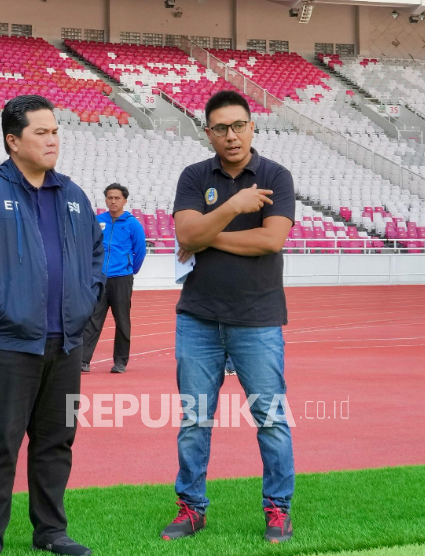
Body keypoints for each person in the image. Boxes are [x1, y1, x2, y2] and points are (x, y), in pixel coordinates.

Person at [0, 95, 105, 556]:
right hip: (3, 344)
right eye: (41, 132)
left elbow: (96, 255)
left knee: (57, 441)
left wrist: (87, 299)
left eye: (55, 131)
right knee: (0, 443)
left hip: (66, 344)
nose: (52, 139)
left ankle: (51, 531)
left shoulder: (73, 194)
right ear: (13, 141)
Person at [161, 90, 295, 544]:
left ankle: (278, 510)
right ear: (208, 132)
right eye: (221, 128)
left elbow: (270, 241)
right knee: (194, 419)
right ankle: (191, 508)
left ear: (252, 126)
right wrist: (234, 209)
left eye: (239, 125)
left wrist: (207, 235)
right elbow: (184, 232)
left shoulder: (277, 175)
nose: (231, 135)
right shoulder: (195, 176)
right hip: (198, 318)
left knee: (271, 419)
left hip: (258, 319)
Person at [80, 182, 146, 374]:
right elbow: (88, 246)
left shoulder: (132, 224)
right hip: (99, 278)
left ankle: (120, 362)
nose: (113, 201)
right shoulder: (98, 220)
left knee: (122, 320)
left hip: (122, 278)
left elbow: (139, 251)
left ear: (124, 200)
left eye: (117, 198)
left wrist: (130, 270)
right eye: (110, 197)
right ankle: (83, 359)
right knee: (93, 318)